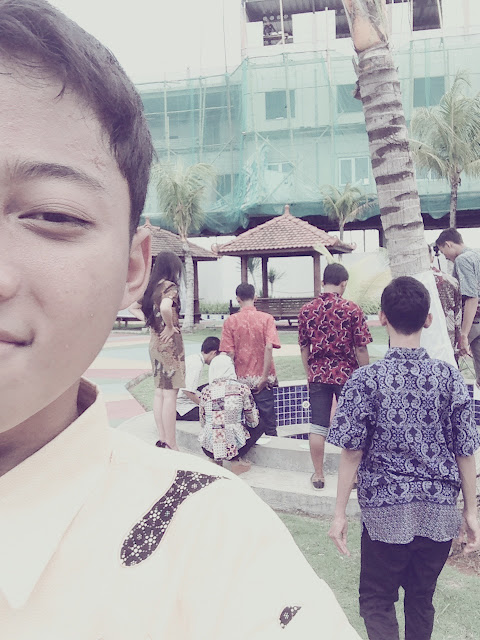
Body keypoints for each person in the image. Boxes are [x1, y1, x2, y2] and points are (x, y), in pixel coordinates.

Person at [0, 1, 362, 637]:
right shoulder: (316, 317)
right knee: (315, 425)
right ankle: (309, 471)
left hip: (227, 373)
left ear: (133, 267)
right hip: (276, 379)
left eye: (53, 215)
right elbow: (294, 351)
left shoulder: (219, 553)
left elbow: (259, 346)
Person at [328, 276, 480, 640]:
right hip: (438, 511)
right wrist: (471, 511)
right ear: (428, 319)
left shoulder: (365, 380)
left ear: (382, 317)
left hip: (385, 511)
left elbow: (351, 452)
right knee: (421, 600)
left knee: (377, 600)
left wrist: (339, 514)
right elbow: (465, 449)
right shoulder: (449, 378)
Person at [298, 263, 372, 490]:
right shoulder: (352, 309)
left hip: (318, 374)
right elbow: (361, 347)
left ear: (323, 282)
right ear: (344, 283)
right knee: (352, 425)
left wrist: (309, 373)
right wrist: (365, 375)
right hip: (346, 375)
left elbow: (304, 347)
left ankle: (319, 475)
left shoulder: (307, 310)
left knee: (317, 426)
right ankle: (354, 476)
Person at [220, 282, 281, 439]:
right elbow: (269, 347)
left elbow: (229, 354)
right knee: (269, 422)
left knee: (243, 423)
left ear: (238, 299)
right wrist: (264, 377)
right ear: (255, 297)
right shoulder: (267, 319)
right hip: (264, 378)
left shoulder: (230, 321)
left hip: (240, 379)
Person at [142, 250, 185, 450]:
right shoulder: (170, 287)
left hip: (154, 342)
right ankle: (171, 443)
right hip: (169, 345)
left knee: (159, 392)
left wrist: (152, 322)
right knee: (170, 394)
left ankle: (162, 439)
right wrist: (168, 326)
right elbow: (166, 307)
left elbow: (134, 307)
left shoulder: (151, 287)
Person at [199, 353, 258, 474]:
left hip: (208, 447)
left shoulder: (206, 391)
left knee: (215, 427)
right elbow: (252, 421)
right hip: (236, 447)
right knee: (260, 424)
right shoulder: (242, 388)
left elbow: (203, 422)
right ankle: (236, 462)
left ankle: (214, 460)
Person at [436, 228, 480, 383]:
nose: (445, 257)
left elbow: (472, 297)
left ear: (448, 244)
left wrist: (464, 334)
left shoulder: (462, 260)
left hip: (475, 322)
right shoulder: (477, 255)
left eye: (443, 252)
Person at [176, 336, 219, 421]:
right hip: (181, 407)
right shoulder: (197, 364)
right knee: (214, 414)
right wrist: (203, 406)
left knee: (211, 385)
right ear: (214, 353)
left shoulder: (194, 358)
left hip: (180, 397)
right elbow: (187, 391)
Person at [429, 244, 461, 353]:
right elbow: (458, 314)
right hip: (447, 337)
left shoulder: (404, 284)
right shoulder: (451, 281)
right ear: (431, 258)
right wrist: (460, 339)